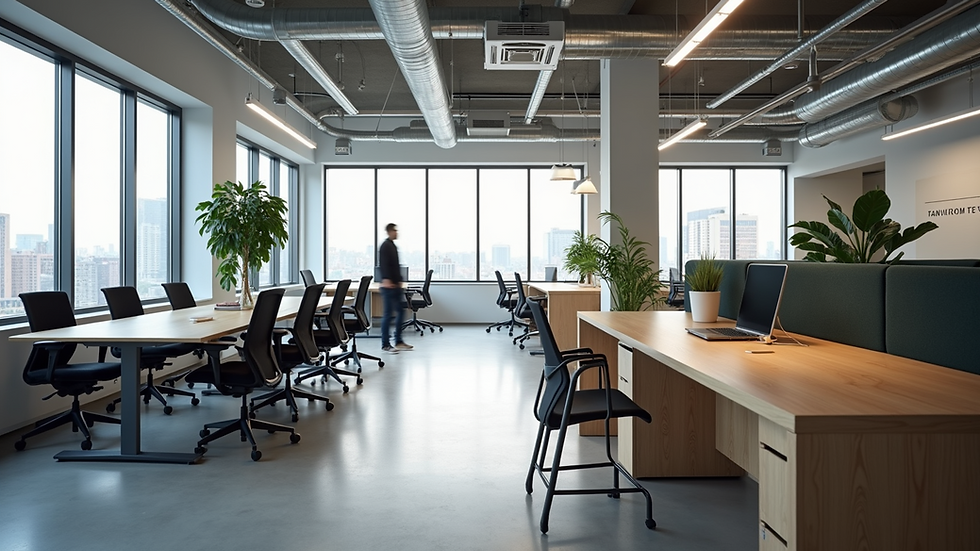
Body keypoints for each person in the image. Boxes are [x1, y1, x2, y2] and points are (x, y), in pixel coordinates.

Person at [378, 223, 413, 353]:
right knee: (387, 315)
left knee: (400, 312)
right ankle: (385, 344)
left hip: (396, 286)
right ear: (389, 232)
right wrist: (386, 279)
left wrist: (398, 281)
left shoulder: (392, 245)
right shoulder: (385, 246)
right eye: (394, 230)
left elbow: (394, 266)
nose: (396, 233)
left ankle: (398, 341)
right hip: (389, 286)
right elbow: (384, 264)